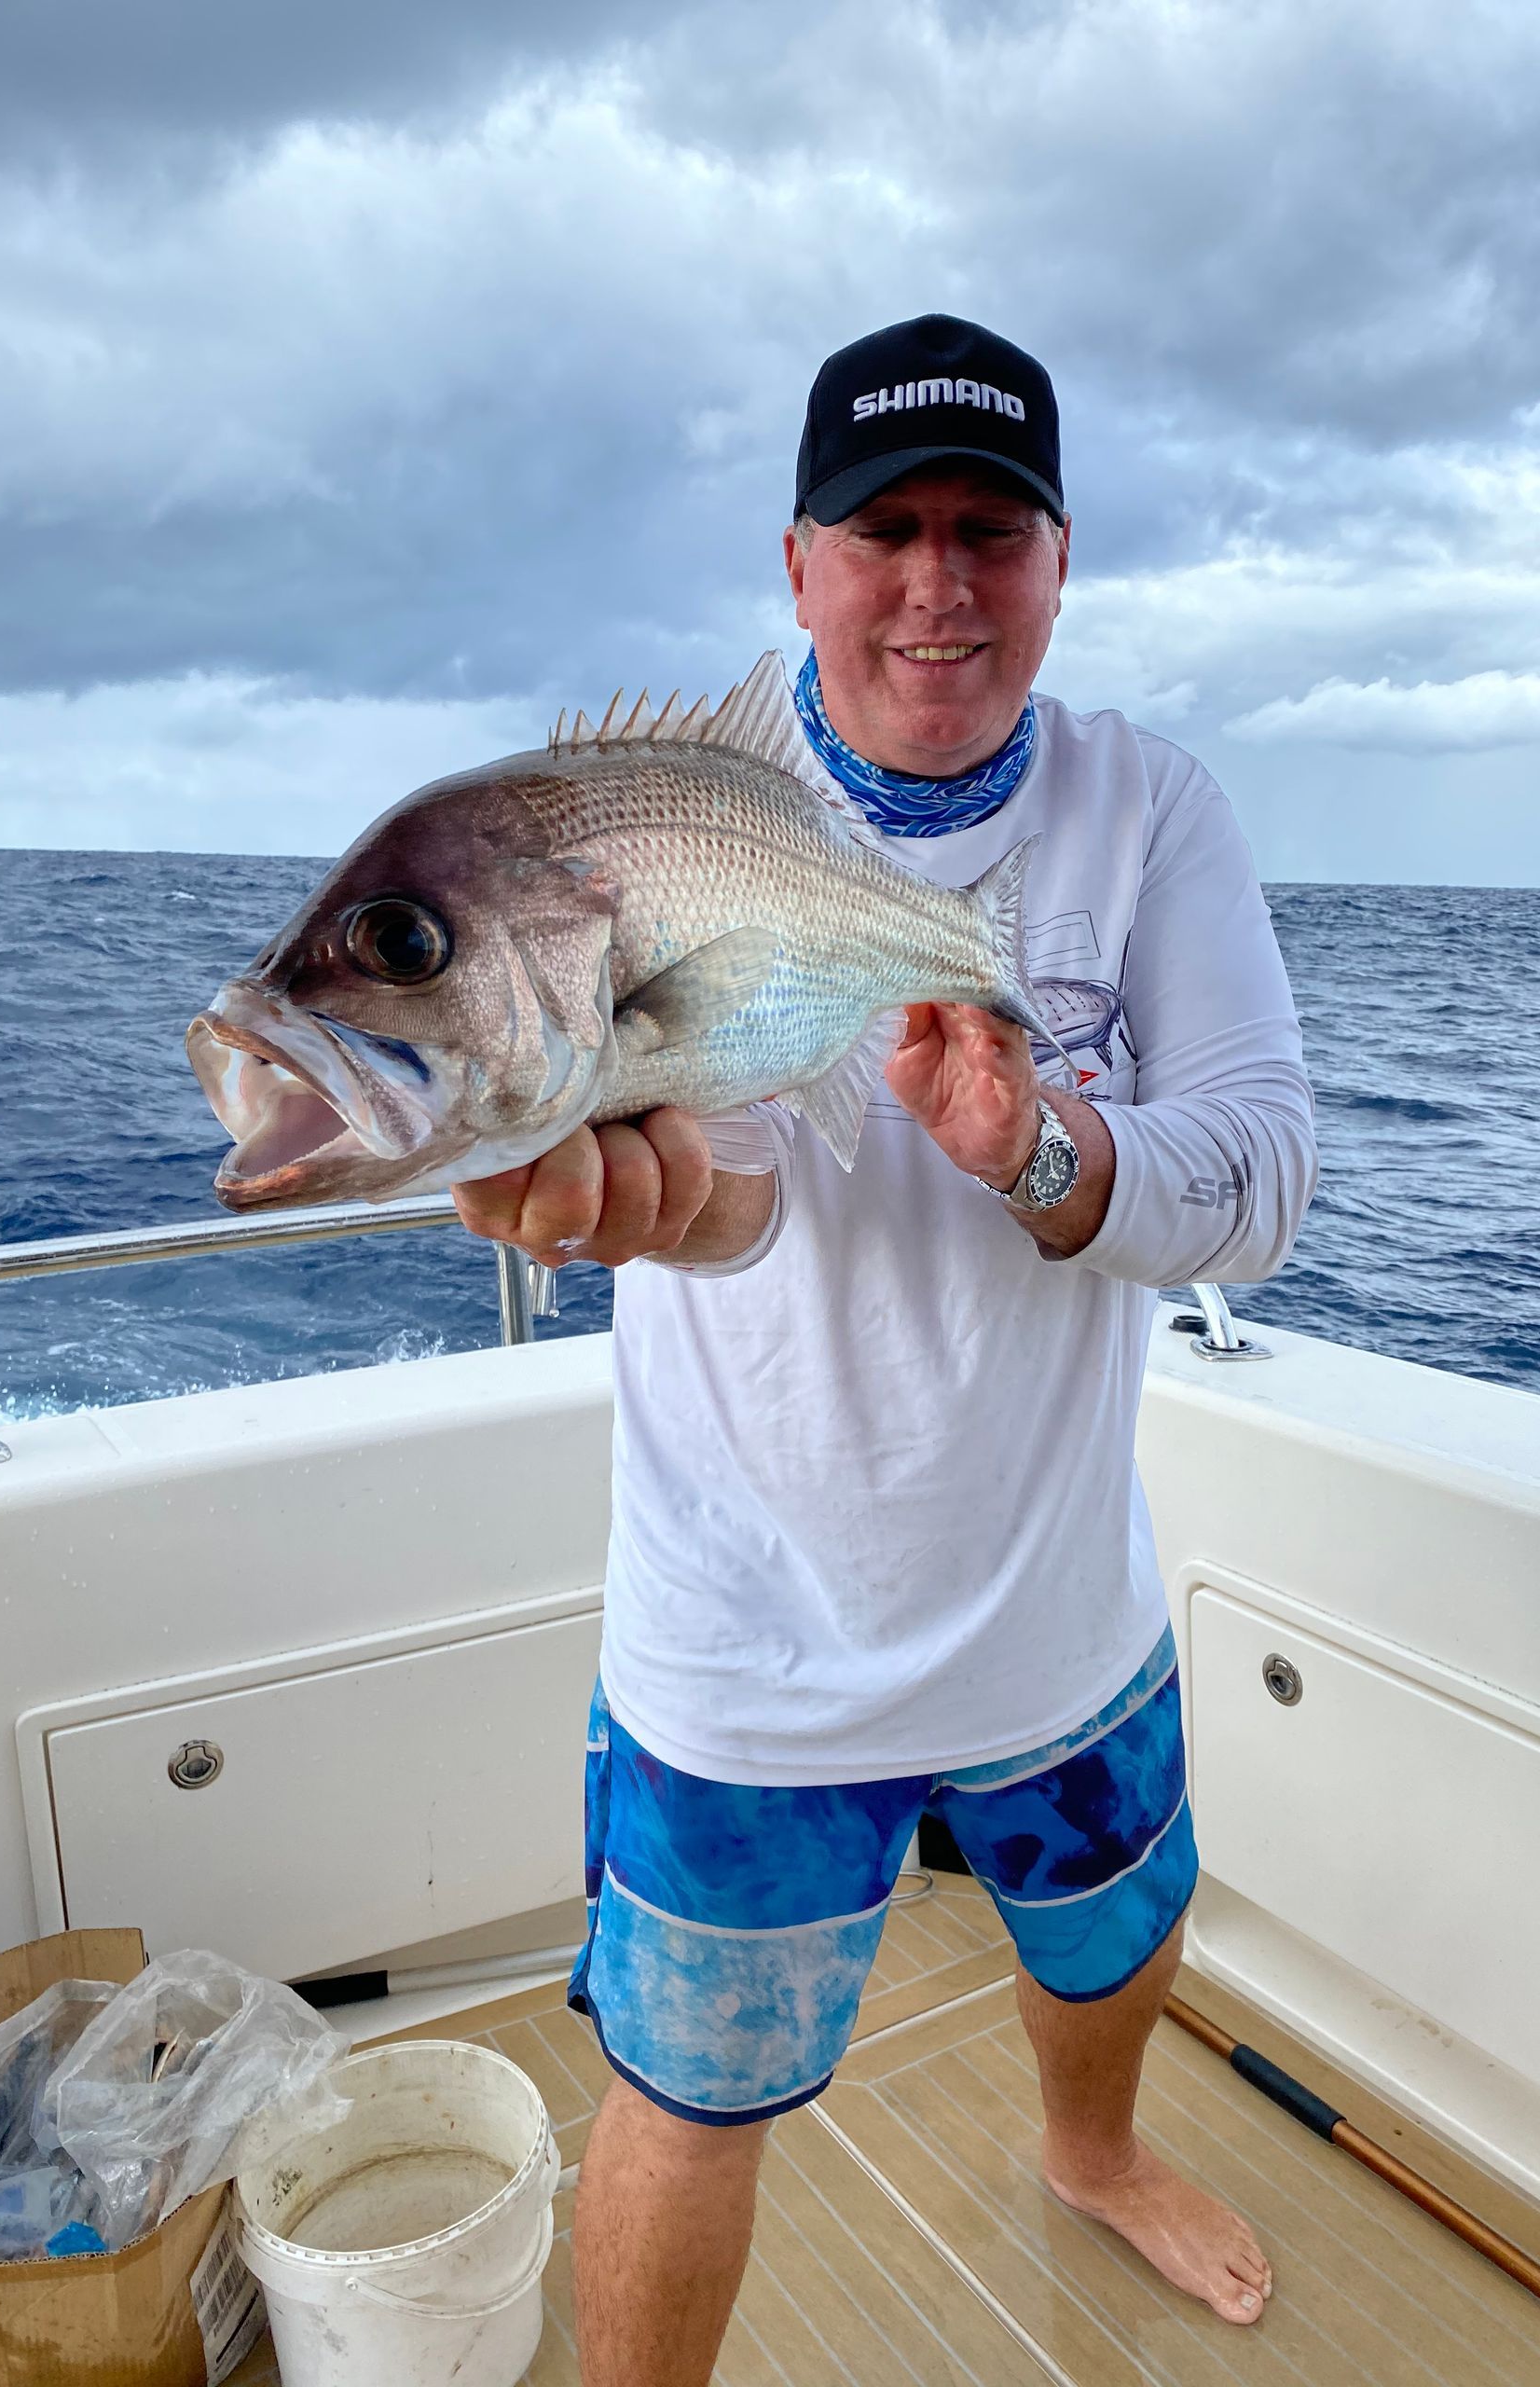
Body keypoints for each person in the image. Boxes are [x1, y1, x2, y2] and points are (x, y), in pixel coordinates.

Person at [454, 312, 1317, 2387]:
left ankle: (1091, 2149)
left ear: (1056, 560)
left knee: (1117, 1932)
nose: (938, 578)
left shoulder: (1148, 812)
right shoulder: (656, 834)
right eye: (884, 527)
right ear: (799, 565)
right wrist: (623, 1190)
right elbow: (734, 1196)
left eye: (987, 529)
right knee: (685, 2088)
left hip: (1061, 1605)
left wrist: (1039, 1140)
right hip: (744, 1651)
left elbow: (1266, 1178)